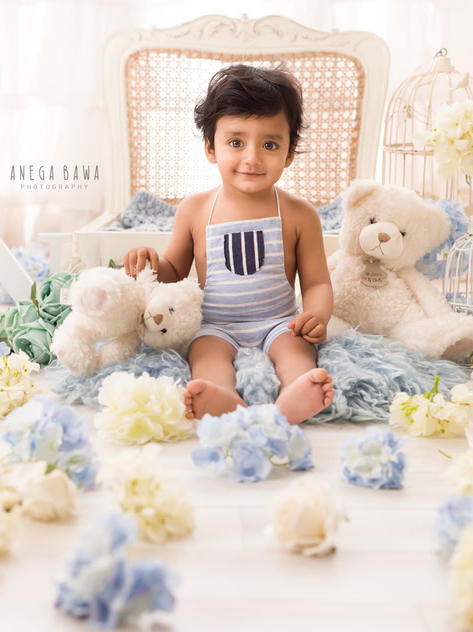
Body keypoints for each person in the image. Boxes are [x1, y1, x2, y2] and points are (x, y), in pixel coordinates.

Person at [123, 64, 335, 424]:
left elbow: (316, 282)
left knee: (296, 350)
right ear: (211, 147)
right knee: (205, 354)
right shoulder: (195, 209)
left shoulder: (300, 214)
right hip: (215, 324)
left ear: (289, 153)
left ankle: (297, 393)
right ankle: (220, 395)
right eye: (236, 142)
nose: (252, 158)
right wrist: (151, 263)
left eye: (269, 144)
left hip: (278, 321)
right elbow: (175, 273)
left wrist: (315, 316)